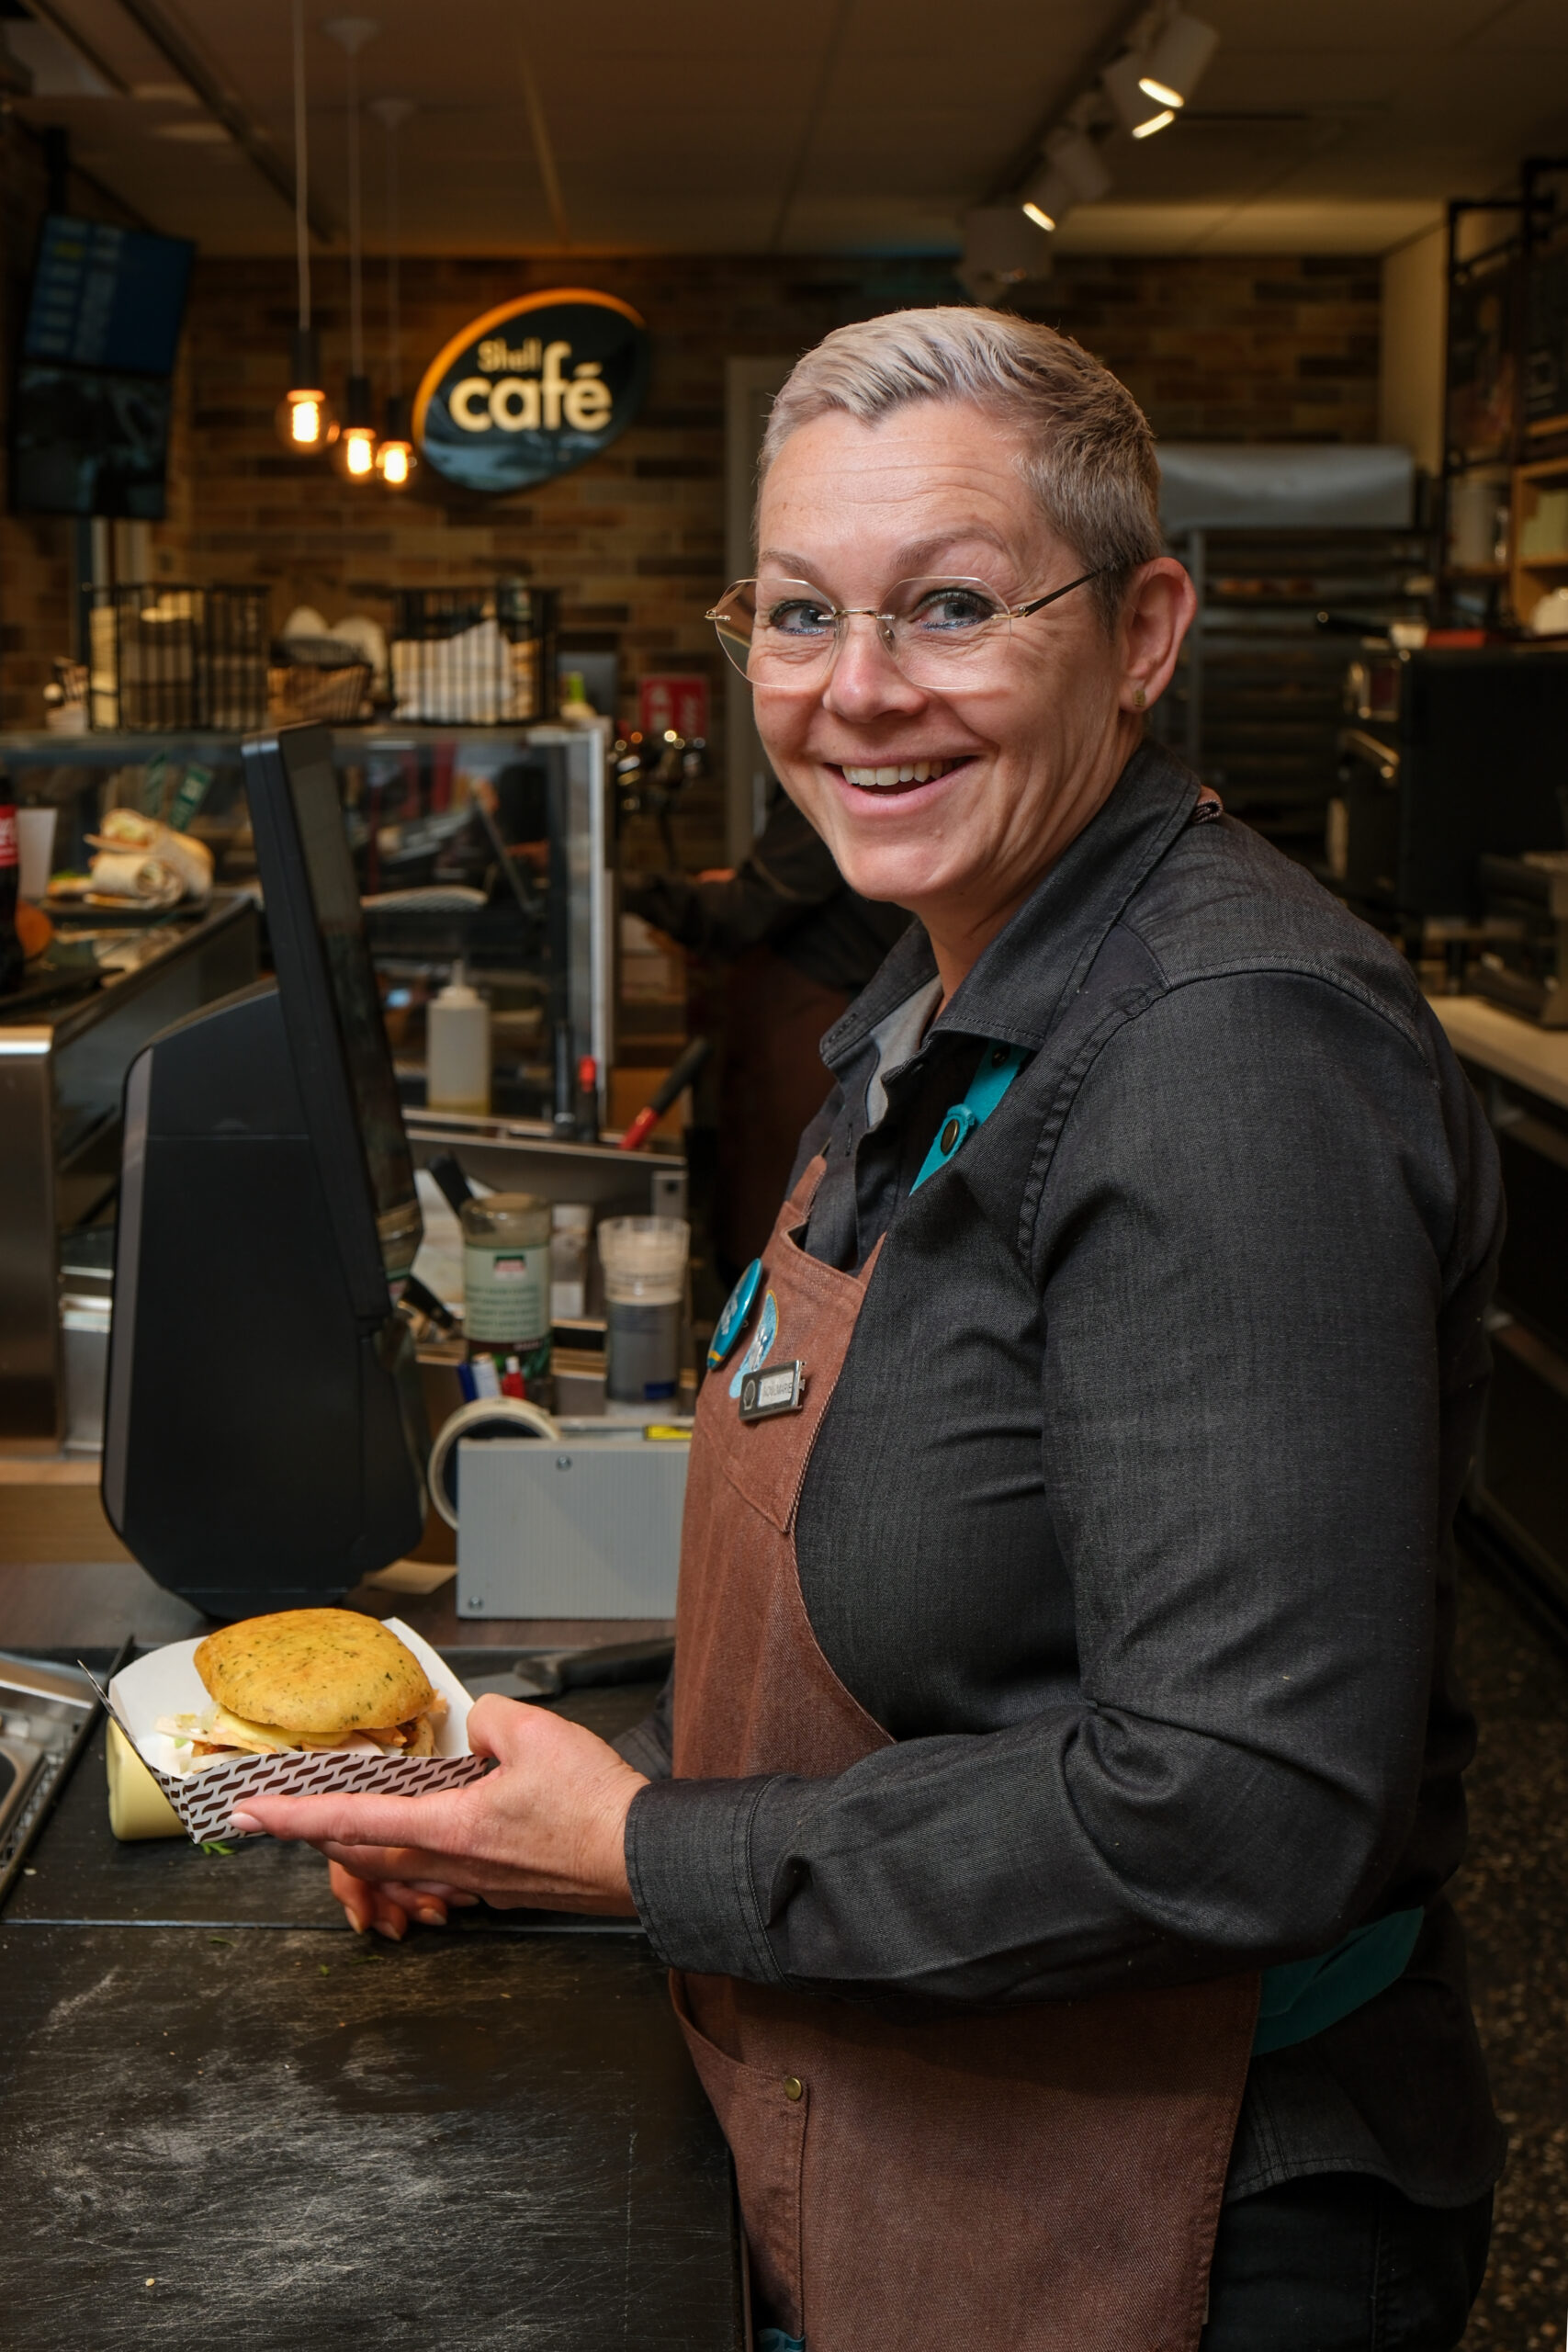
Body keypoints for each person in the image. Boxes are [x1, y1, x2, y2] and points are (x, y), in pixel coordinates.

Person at [241, 309, 1505, 2352]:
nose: (854, 692)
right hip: (913, 2105)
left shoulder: (1224, 1059)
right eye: (799, 612)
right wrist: (541, 1832)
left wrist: (647, 1843)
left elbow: (1241, 1801)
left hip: (1171, 2198)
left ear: (1145, 626)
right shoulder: (952, 987)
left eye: (948, 605)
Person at [624, 791, 909, 1274]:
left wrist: (628, 891)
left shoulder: (836, 785)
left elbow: (742, 912)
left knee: (783, 1242)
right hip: (791, 1027)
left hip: (811, 1038)